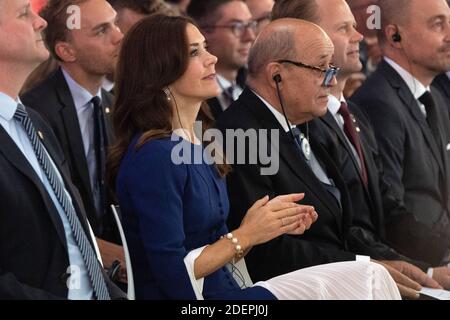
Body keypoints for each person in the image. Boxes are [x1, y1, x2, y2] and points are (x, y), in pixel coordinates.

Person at [108, 14, 400, 300]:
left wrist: (264, 227)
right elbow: (172, 275)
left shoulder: (202, 144)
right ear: (160, 70)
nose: (212, 59)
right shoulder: (155, 157)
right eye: (195, 52)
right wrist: (246, 235)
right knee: (368, 277)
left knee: (369, 277)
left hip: (232, 291)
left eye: (206, 48)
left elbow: (219, 250)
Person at [271, 0, 443, 293]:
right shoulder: (302, 123)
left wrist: (429, 264)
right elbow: (339, 228)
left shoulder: (355, 114)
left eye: (355, 25)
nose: (359, 36)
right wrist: (418, 271)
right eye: (343, 28)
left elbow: (386, 207)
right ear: (305, 38)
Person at [0, 0, 124, 300]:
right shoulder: (41, 112)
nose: (40, 22)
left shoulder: (31, 122)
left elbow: (76, 242)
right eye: (23, 13)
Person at [351, 0, 450, 284]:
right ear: (395, 36)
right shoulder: (377, 103)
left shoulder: (436, 98)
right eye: (437, 24)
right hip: (415, 272)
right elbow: (389, 213)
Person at [187, 0, 256, 119]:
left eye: (250, 25)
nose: (250, 36)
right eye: (237, 27)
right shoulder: (191, 96)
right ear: (204, 32)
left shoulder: (256, 84)